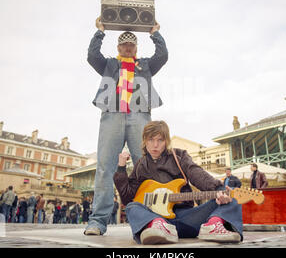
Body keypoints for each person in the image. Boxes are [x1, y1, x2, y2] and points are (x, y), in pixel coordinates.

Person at [84, 16, 168, 236]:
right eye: (124, 44)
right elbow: (93, 56)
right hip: (112, 115)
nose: (128, 47)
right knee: (105, 167)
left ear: (136, 47)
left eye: (132, 45)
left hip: (139, 115)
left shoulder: (146, 64)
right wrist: (100, 31)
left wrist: (155, 33)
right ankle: (97, 222)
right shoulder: (110, 64)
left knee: (146, 165)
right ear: (119, 46)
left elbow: (163, 55)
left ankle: (149, 219)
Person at [113, 121, 243, 245]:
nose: (155, 145)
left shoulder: (179, 155)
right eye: (151, 140)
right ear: (145, 141)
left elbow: (195, 173)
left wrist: (219, 188)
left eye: (160, 140)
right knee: (131, 207)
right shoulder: (140, 165)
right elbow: (127, 197)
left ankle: (213, 225)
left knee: (232, 196)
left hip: (186, 218)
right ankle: (157, 226)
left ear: (166, 141)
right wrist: (121, 167)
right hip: (156, 220)